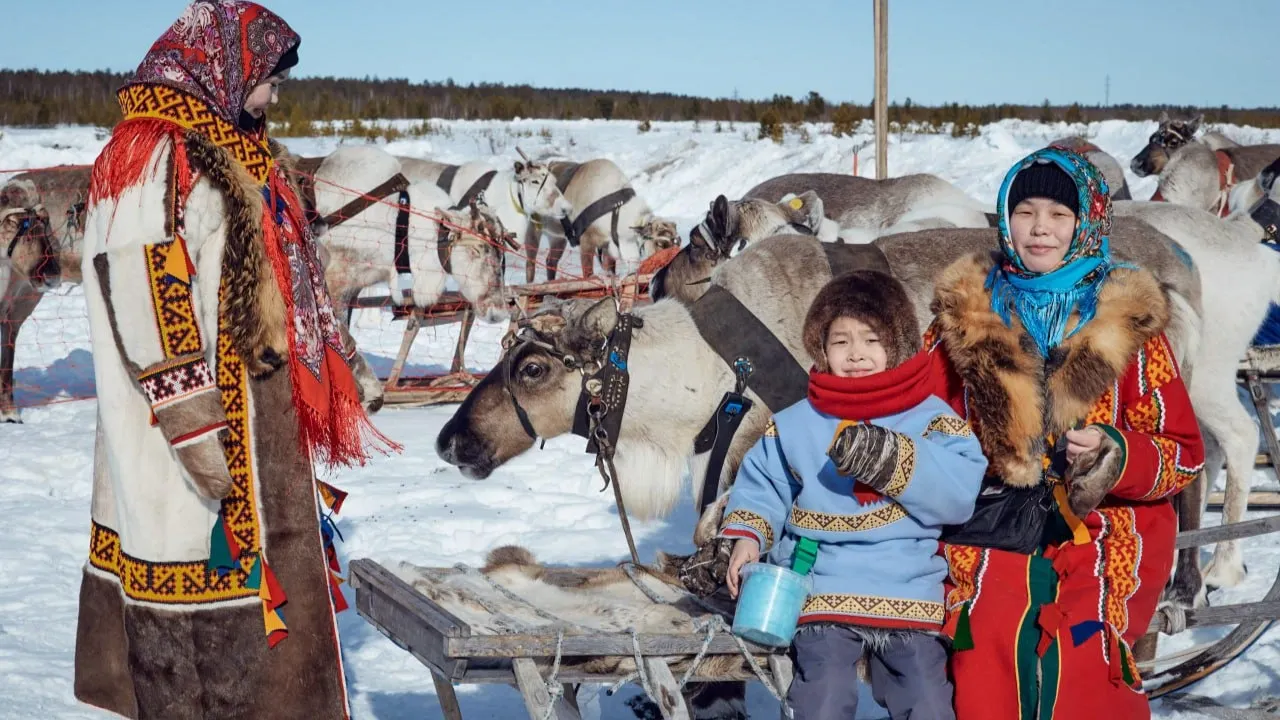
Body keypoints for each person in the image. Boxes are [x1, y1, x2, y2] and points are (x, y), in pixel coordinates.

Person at [74, 2, 396, 717]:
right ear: (223, 66)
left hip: (252, 424)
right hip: (190, 440)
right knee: (201, 629)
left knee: (257, 627)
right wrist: (197, 431)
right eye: (268, 80)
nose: (275, 95)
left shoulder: (227, 147)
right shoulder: (156, 156)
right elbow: (144, 293)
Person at [926, 146, 1206, 719]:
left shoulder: (1130, 329)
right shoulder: (965, 319)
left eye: (1058, 215)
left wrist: (1116, 454)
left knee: (1082, 649)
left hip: (1104, 530)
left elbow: (1183, 455)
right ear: (1005, 218)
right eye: (1025, 212)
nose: (1040, 230)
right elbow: (923, 424)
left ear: (1086, 223)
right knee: (987, 641)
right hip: (989, 523)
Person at [720, 270, 986, 720]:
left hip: (906, 581)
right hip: (821, 583)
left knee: (926, 695)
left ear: (897, 345)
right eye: (841, 342)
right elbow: (764, 483)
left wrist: (892, 460)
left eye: (871, 340)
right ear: (821, 349)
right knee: (823, 695)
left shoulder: (929, 416)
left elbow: (959, 492)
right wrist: (749, 537)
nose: (856, 355)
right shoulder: (797, 422)